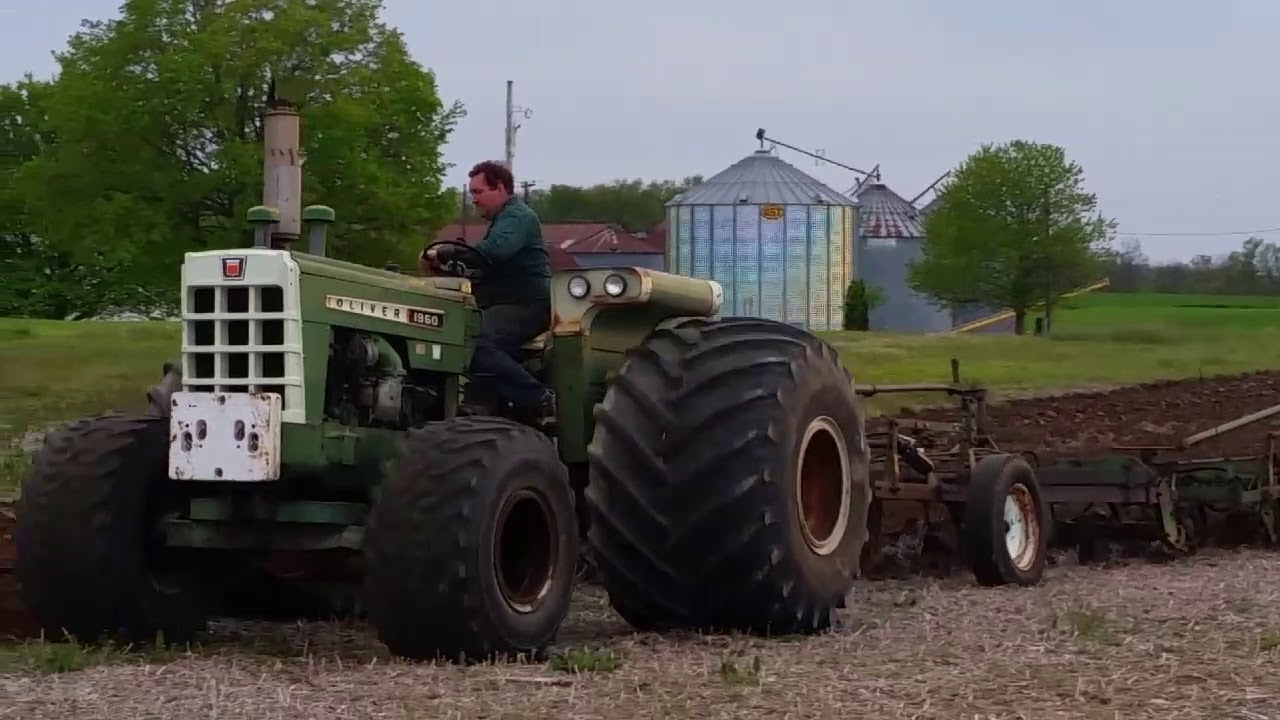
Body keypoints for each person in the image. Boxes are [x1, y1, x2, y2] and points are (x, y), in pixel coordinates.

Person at [421, 161, 555, 421]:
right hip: (501, 302)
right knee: (454, 328)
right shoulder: (502, 220)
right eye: (472, 192)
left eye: (478, 192)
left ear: (500, 188)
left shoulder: (518, 217)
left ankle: (538, 398)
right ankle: (472, 405)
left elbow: (493, 252)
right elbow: (485, 266)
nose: (474, 199)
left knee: (473, 339)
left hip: (527, 304)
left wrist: (447, 252)